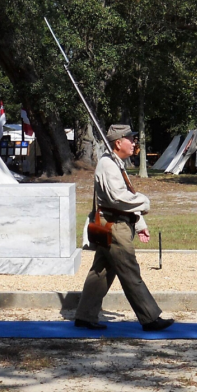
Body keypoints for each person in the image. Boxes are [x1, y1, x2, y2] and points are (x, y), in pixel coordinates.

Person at [75, 124, 173, 332]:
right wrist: (144, 202)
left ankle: (85, 315)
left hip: (115, 222)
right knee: (129, 270)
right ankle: (149, 318)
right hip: (113, 226)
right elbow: (118, 198)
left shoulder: (115, 163)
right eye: (130, 138)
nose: (134, 142)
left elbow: (123, 196)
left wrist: (139, 223)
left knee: (101, 271)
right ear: (118, 142)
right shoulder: (108, 165)